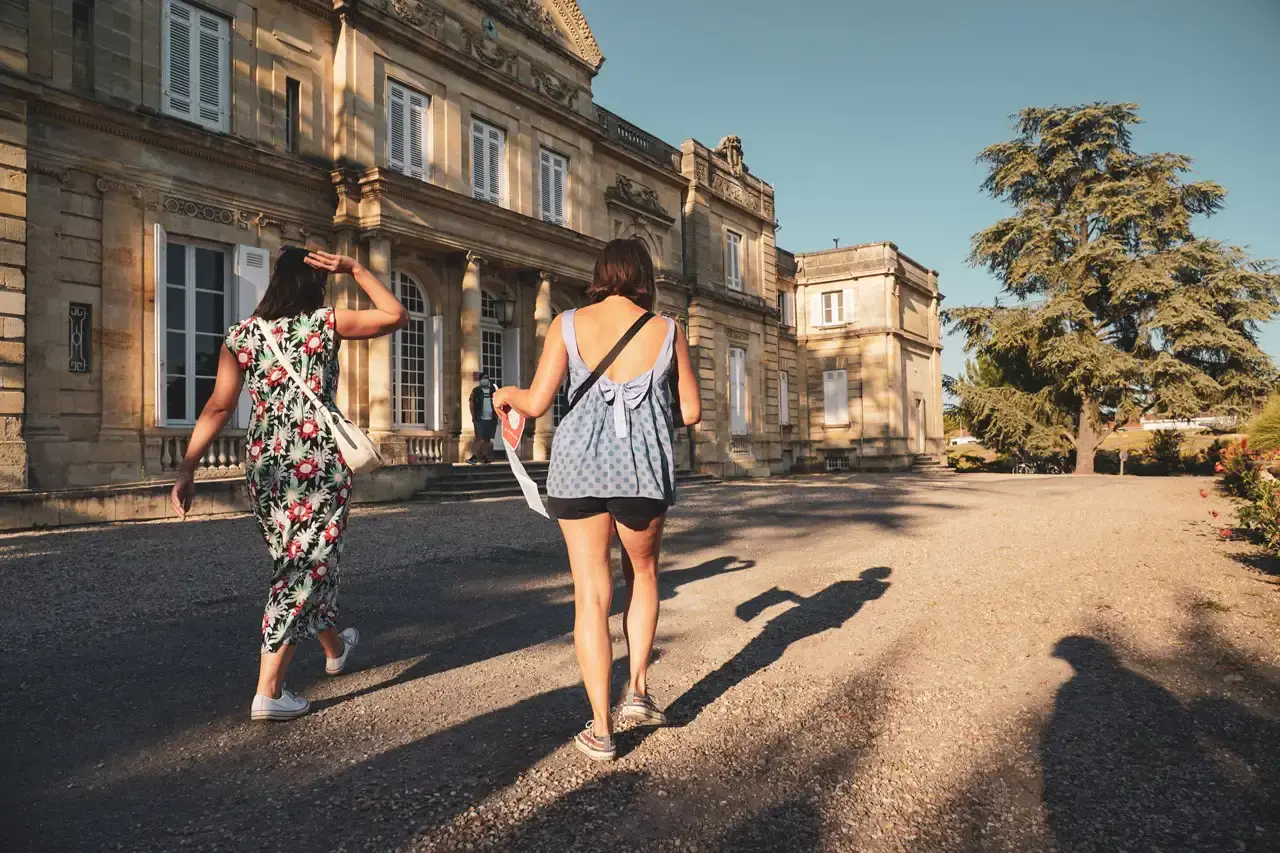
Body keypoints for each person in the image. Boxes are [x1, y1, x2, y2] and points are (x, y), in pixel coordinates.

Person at [169, 247, 406, 722]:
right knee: (303, 566)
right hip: (315, 460)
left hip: (264, 464)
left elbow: (217, 407)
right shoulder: (323, 324)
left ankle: (335, 647)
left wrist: (187, 468)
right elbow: (395, 315)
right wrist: (357, 268)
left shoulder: (241, 336)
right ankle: (269, 690)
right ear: (314, 284)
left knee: (300, 557)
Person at [493, 239, 702, 761]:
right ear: (643, 277)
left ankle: (603, 730)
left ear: (601, 273)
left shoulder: (566, 323)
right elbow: (693, 412)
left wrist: (506, 397)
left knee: (591, 593)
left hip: (578, 469)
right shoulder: (668, 329)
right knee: (644, 576)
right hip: (641, 473)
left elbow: (538, 403)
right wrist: (648, 409)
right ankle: (637, 691)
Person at [468, 372, 499, 464]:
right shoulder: (476, 391)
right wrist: (473, 416)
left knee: (487, 439)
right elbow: (471, 403)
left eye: (487, 378)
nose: (485, 380)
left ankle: (485, 457)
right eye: (483, 378)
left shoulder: (493, 391)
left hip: (491, 419)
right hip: (479, 418)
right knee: (478, 438)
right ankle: (474, 457)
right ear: (480, 380)